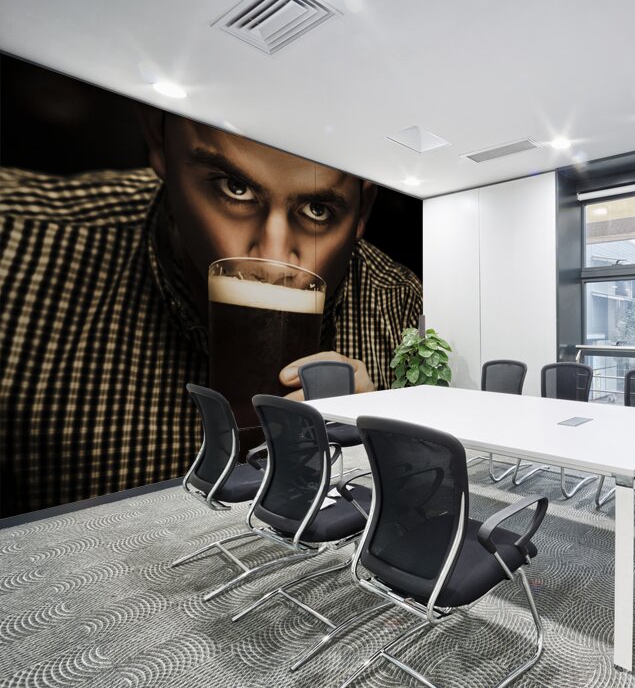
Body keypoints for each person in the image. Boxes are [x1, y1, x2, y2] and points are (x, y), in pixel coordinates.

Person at [0, 108, 422, 517]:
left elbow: (423, 492)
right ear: (159, 142)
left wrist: (378, 446)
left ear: (361, 211)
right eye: (234, 188)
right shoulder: (17, 249)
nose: (272, 263)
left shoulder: (401, 305)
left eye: (317, 211)